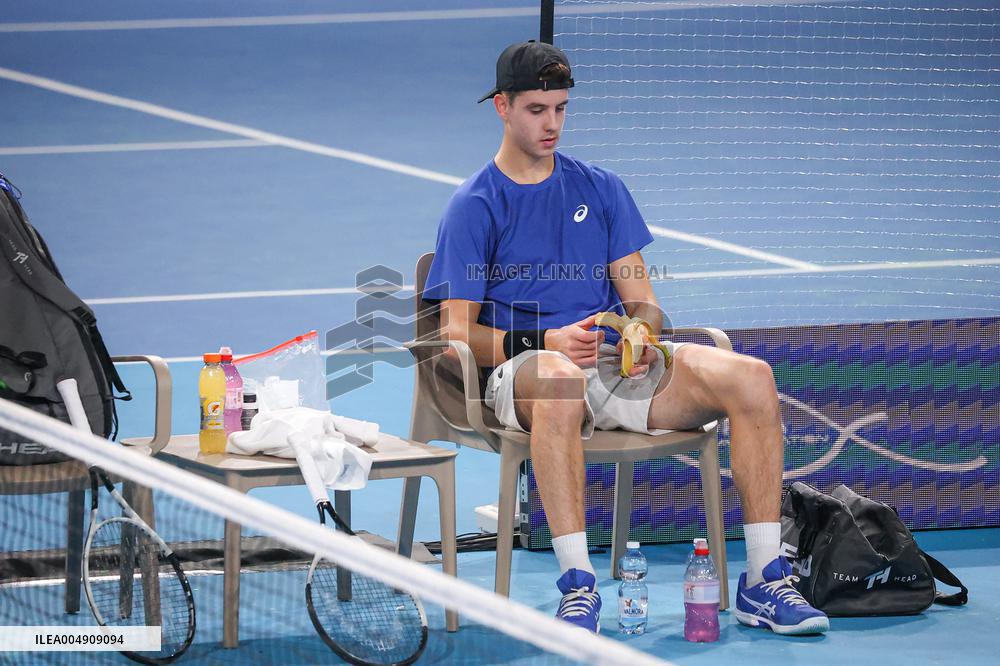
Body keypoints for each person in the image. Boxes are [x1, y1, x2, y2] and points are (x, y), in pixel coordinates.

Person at [422, 40, 829, 636]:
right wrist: (546, 341)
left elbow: (643, 302)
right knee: (560, 381)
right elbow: (455, 334)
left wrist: (641, 332)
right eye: (537, 109)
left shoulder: (601, 188)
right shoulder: (475, 204)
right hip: (529, 371)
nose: (552, 123)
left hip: (615, 370)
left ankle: (763, 578)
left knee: (752, 377)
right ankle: (578, 587)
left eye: (561, 108)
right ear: (502, 108)